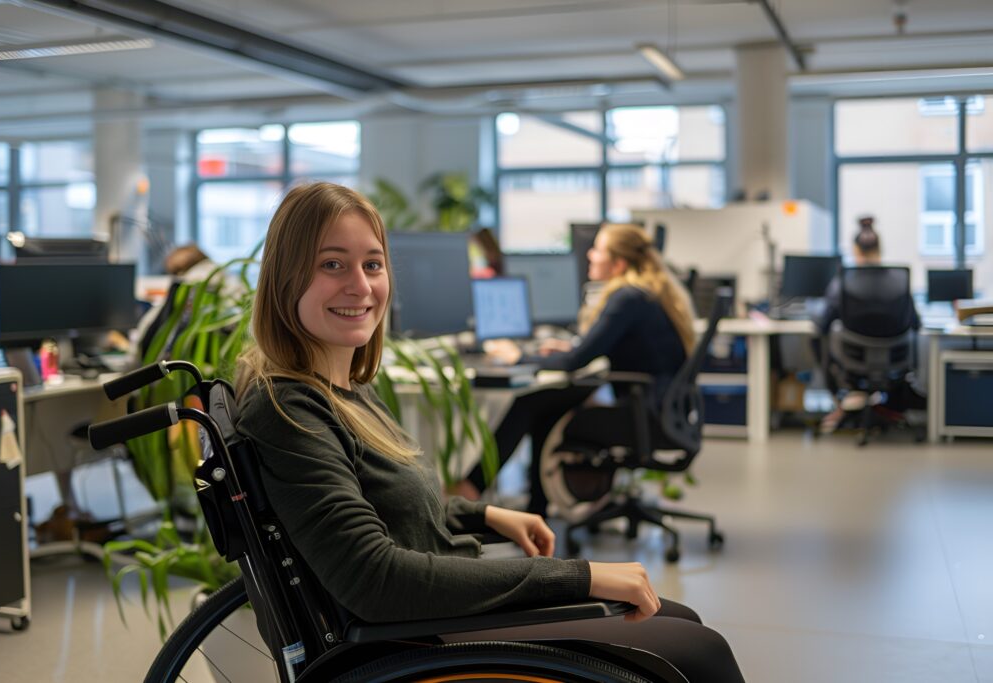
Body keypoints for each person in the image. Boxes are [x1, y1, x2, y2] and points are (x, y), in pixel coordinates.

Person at [232, 183, 744, 683]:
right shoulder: (288, 408)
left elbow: (389, 511)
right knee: (699, 652)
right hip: (420, 636)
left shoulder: (345, 388)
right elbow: (377, 579)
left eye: (372, 264)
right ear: (285, 278)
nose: (361, 286)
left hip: (439, 615)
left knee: (682, 620)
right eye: (332, 264)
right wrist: (579, 574)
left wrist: (485, 514)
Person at [470, 223, 696, 513]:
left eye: (598, 250)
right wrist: (571, 348)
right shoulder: (647, 293)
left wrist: (518, 357)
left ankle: (475, 488)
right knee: (543, 402)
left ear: (618, 263)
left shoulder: (627, 297)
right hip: (661, 413)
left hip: (645, 418)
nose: (589, 255)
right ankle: (533, 508)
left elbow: (574, 362)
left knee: (534, 404)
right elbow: (598, 349)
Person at [814, 217, 921, 433]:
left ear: (855, 249)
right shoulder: (897, 280)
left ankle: (840, 403)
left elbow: (824, 323)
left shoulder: (844, 281)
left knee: (820, 338)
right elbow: (917, 323)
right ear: (880, 248)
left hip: (853, 359)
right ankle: (886, 405)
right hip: (894, 360)